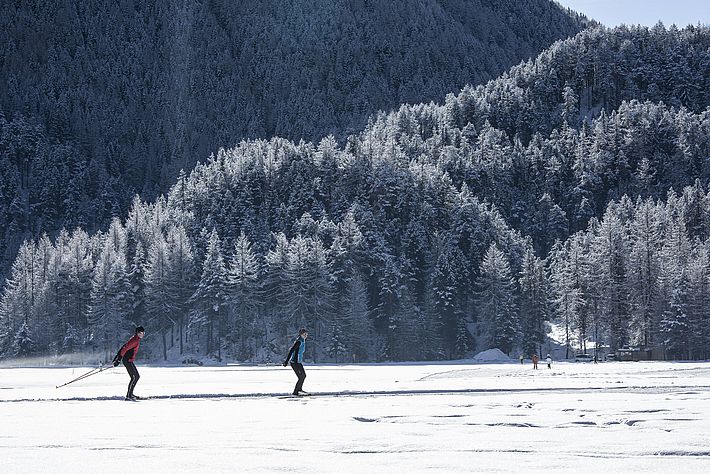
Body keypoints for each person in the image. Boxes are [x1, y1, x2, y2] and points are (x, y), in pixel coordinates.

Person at [113, 326, 145, 401]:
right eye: (141, 333)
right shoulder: (134, 340)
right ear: (137, 333)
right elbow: (125, 349)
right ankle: (129, 395)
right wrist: (118, 359)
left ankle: (130, 394)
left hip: (129, 360)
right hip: (127, 360)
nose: (142, 334)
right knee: (135, 377)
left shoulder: (135, 339)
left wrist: (117, 357)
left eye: (143, 333)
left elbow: (124, 346)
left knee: (136, 376)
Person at [283, 328, 308, 396]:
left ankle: (299, 390)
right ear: (301, 335)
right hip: (294, 362)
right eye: (304, 334)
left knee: (303, 376)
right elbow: (291, 351)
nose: (306, 335)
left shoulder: (302, 341)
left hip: (298, 362)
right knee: (301, 377)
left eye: (306, 334)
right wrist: (286, 361)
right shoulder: (299, 342)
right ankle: (296, 392)